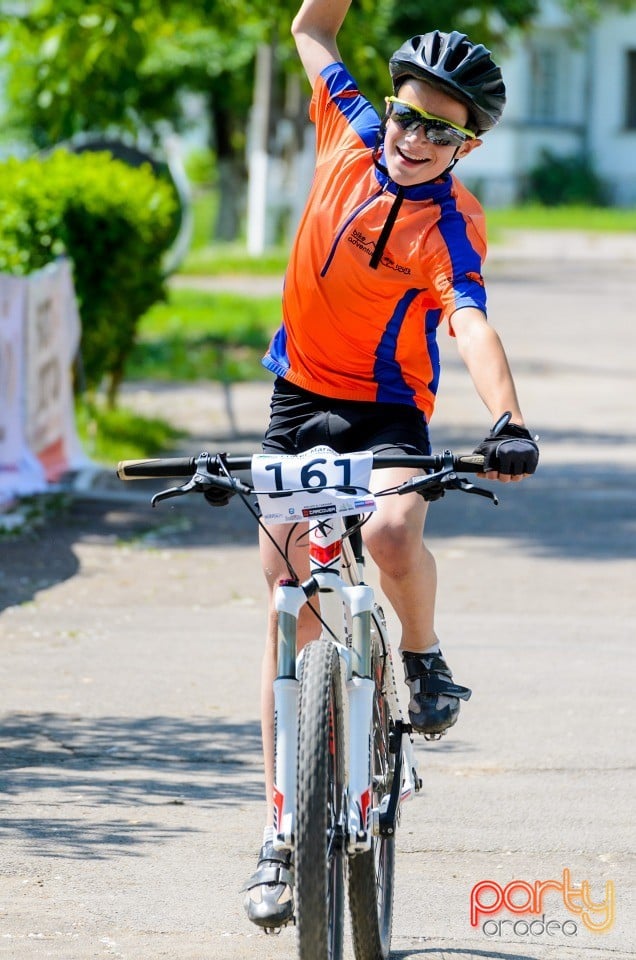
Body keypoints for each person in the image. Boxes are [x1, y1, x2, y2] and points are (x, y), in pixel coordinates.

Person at [242, 0, 539, 929]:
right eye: (407, 115)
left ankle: (423, 652)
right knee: (286, 587)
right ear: (389, 106)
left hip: (385, 411)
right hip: (297, 396)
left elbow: (470, 321)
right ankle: (279, 829)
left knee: (393, 527)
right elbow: (312, 31)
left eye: (439, 130)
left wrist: (508, 418)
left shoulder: (452, 223)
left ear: (466, 146)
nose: (413, 139)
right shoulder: (348, 130)